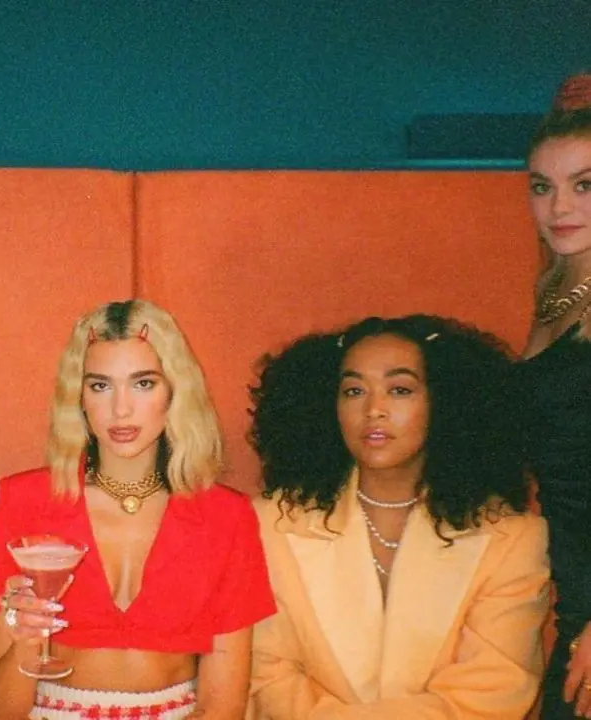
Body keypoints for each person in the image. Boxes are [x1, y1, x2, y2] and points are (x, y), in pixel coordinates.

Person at [0, 299, 275, 720]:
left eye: (143, 383)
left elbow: (223, 705)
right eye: (100, 386)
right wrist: (26, 640)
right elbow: (2, 708)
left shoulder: (225, 517)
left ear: (174, 391)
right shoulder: (25, 501)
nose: (120, 409)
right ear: (78, 397)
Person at [247, 315, 550, 719]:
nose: (374, 410)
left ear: (445, 401)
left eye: (400, 390)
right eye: (354, 391)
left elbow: (492, 692)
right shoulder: (269, 523)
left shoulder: (512, 537)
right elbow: (266, 677)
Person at [520, 73, 591, 719]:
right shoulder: (557, 290)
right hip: (575, 588)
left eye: (585, 185)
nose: (559, 207)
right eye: (542, 186)